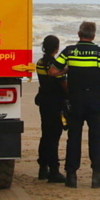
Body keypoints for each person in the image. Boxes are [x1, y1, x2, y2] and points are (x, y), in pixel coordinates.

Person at [50, 21, 100, 189]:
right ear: (93, 36)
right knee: (96, 138)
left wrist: (66, 71)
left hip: (75, 100)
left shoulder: (69, 51)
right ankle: (97, 176)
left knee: (73, 137)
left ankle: (71, 176)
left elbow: (52, 71)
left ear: (78, 34)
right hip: (95, 100)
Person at [34, 35, 66, 183]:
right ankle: (54, 170)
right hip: (55, 102)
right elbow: (63, 84)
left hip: (44, 101)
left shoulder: (40, 62)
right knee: (54, 136)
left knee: (45, 134)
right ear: (56, 48)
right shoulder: (54, 64)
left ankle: (42, 168)